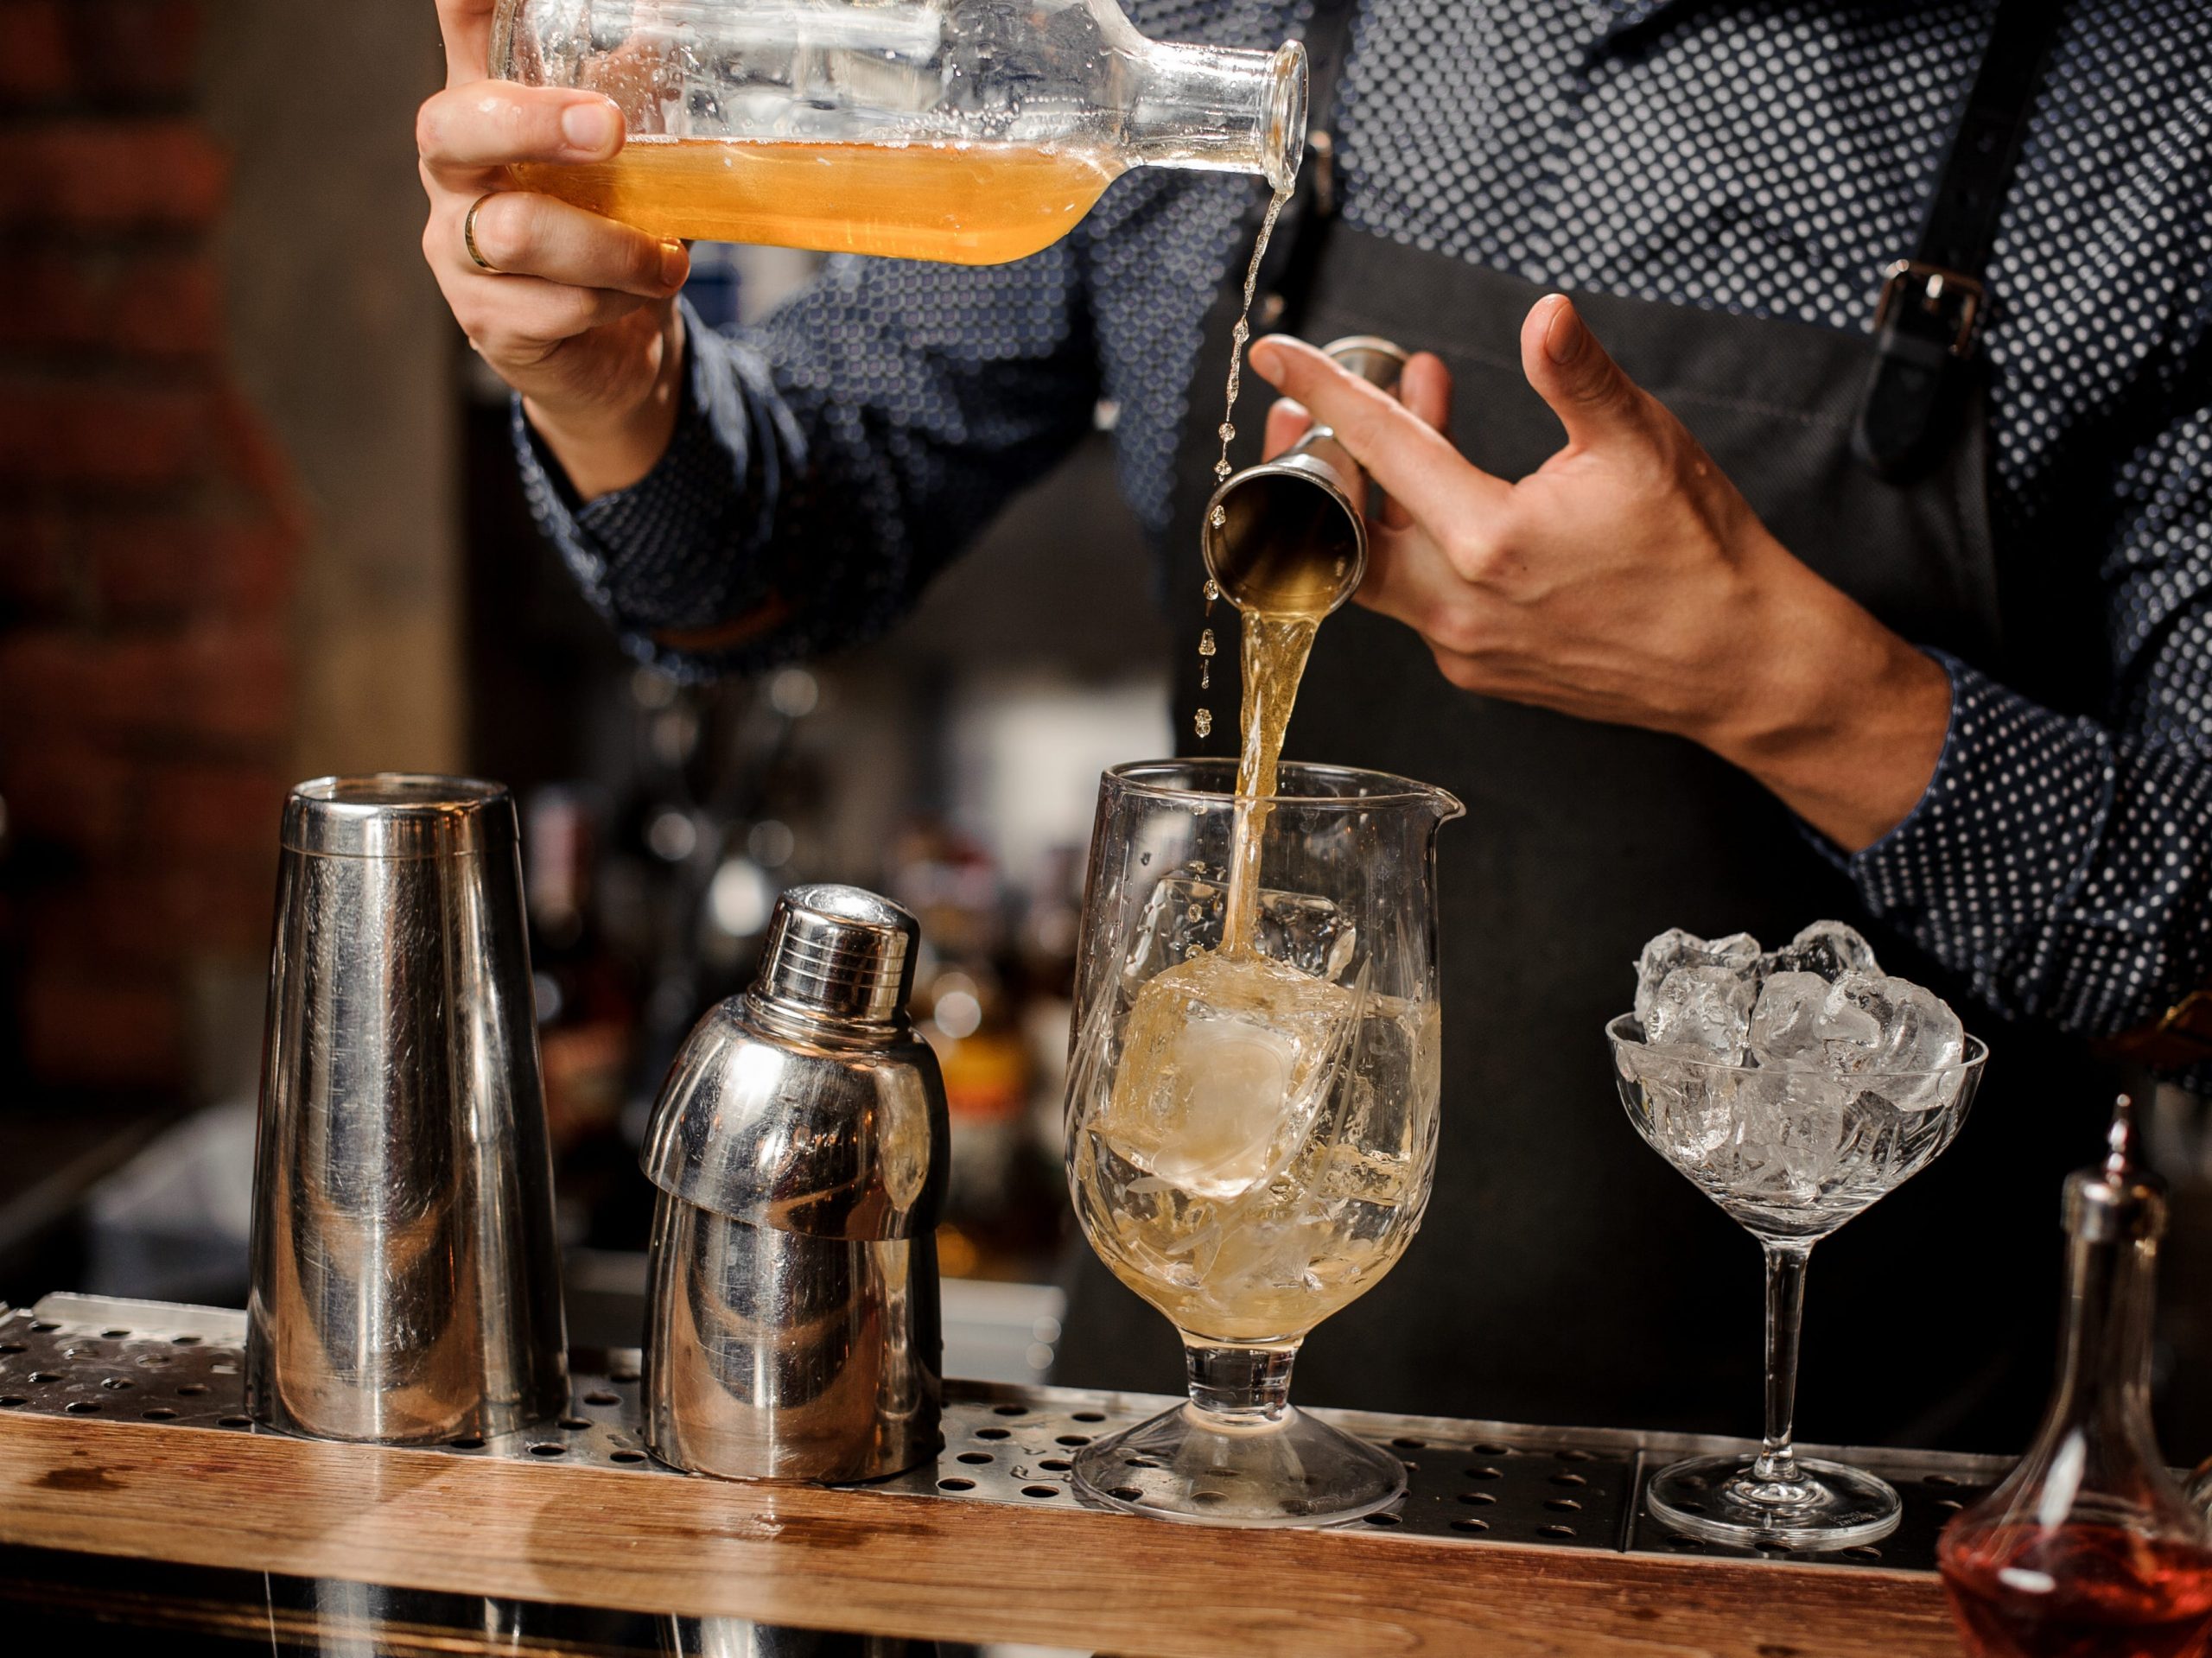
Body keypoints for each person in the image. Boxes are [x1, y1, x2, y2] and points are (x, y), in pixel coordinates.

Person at [419, 0, 2212, 1446]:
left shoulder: (2150, 124)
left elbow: (2196, 961)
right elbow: (771, 556)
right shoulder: (1206, 31)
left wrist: (1786, 684)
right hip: (1201, 1443)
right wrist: (603, 382)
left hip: (1826, 1496)